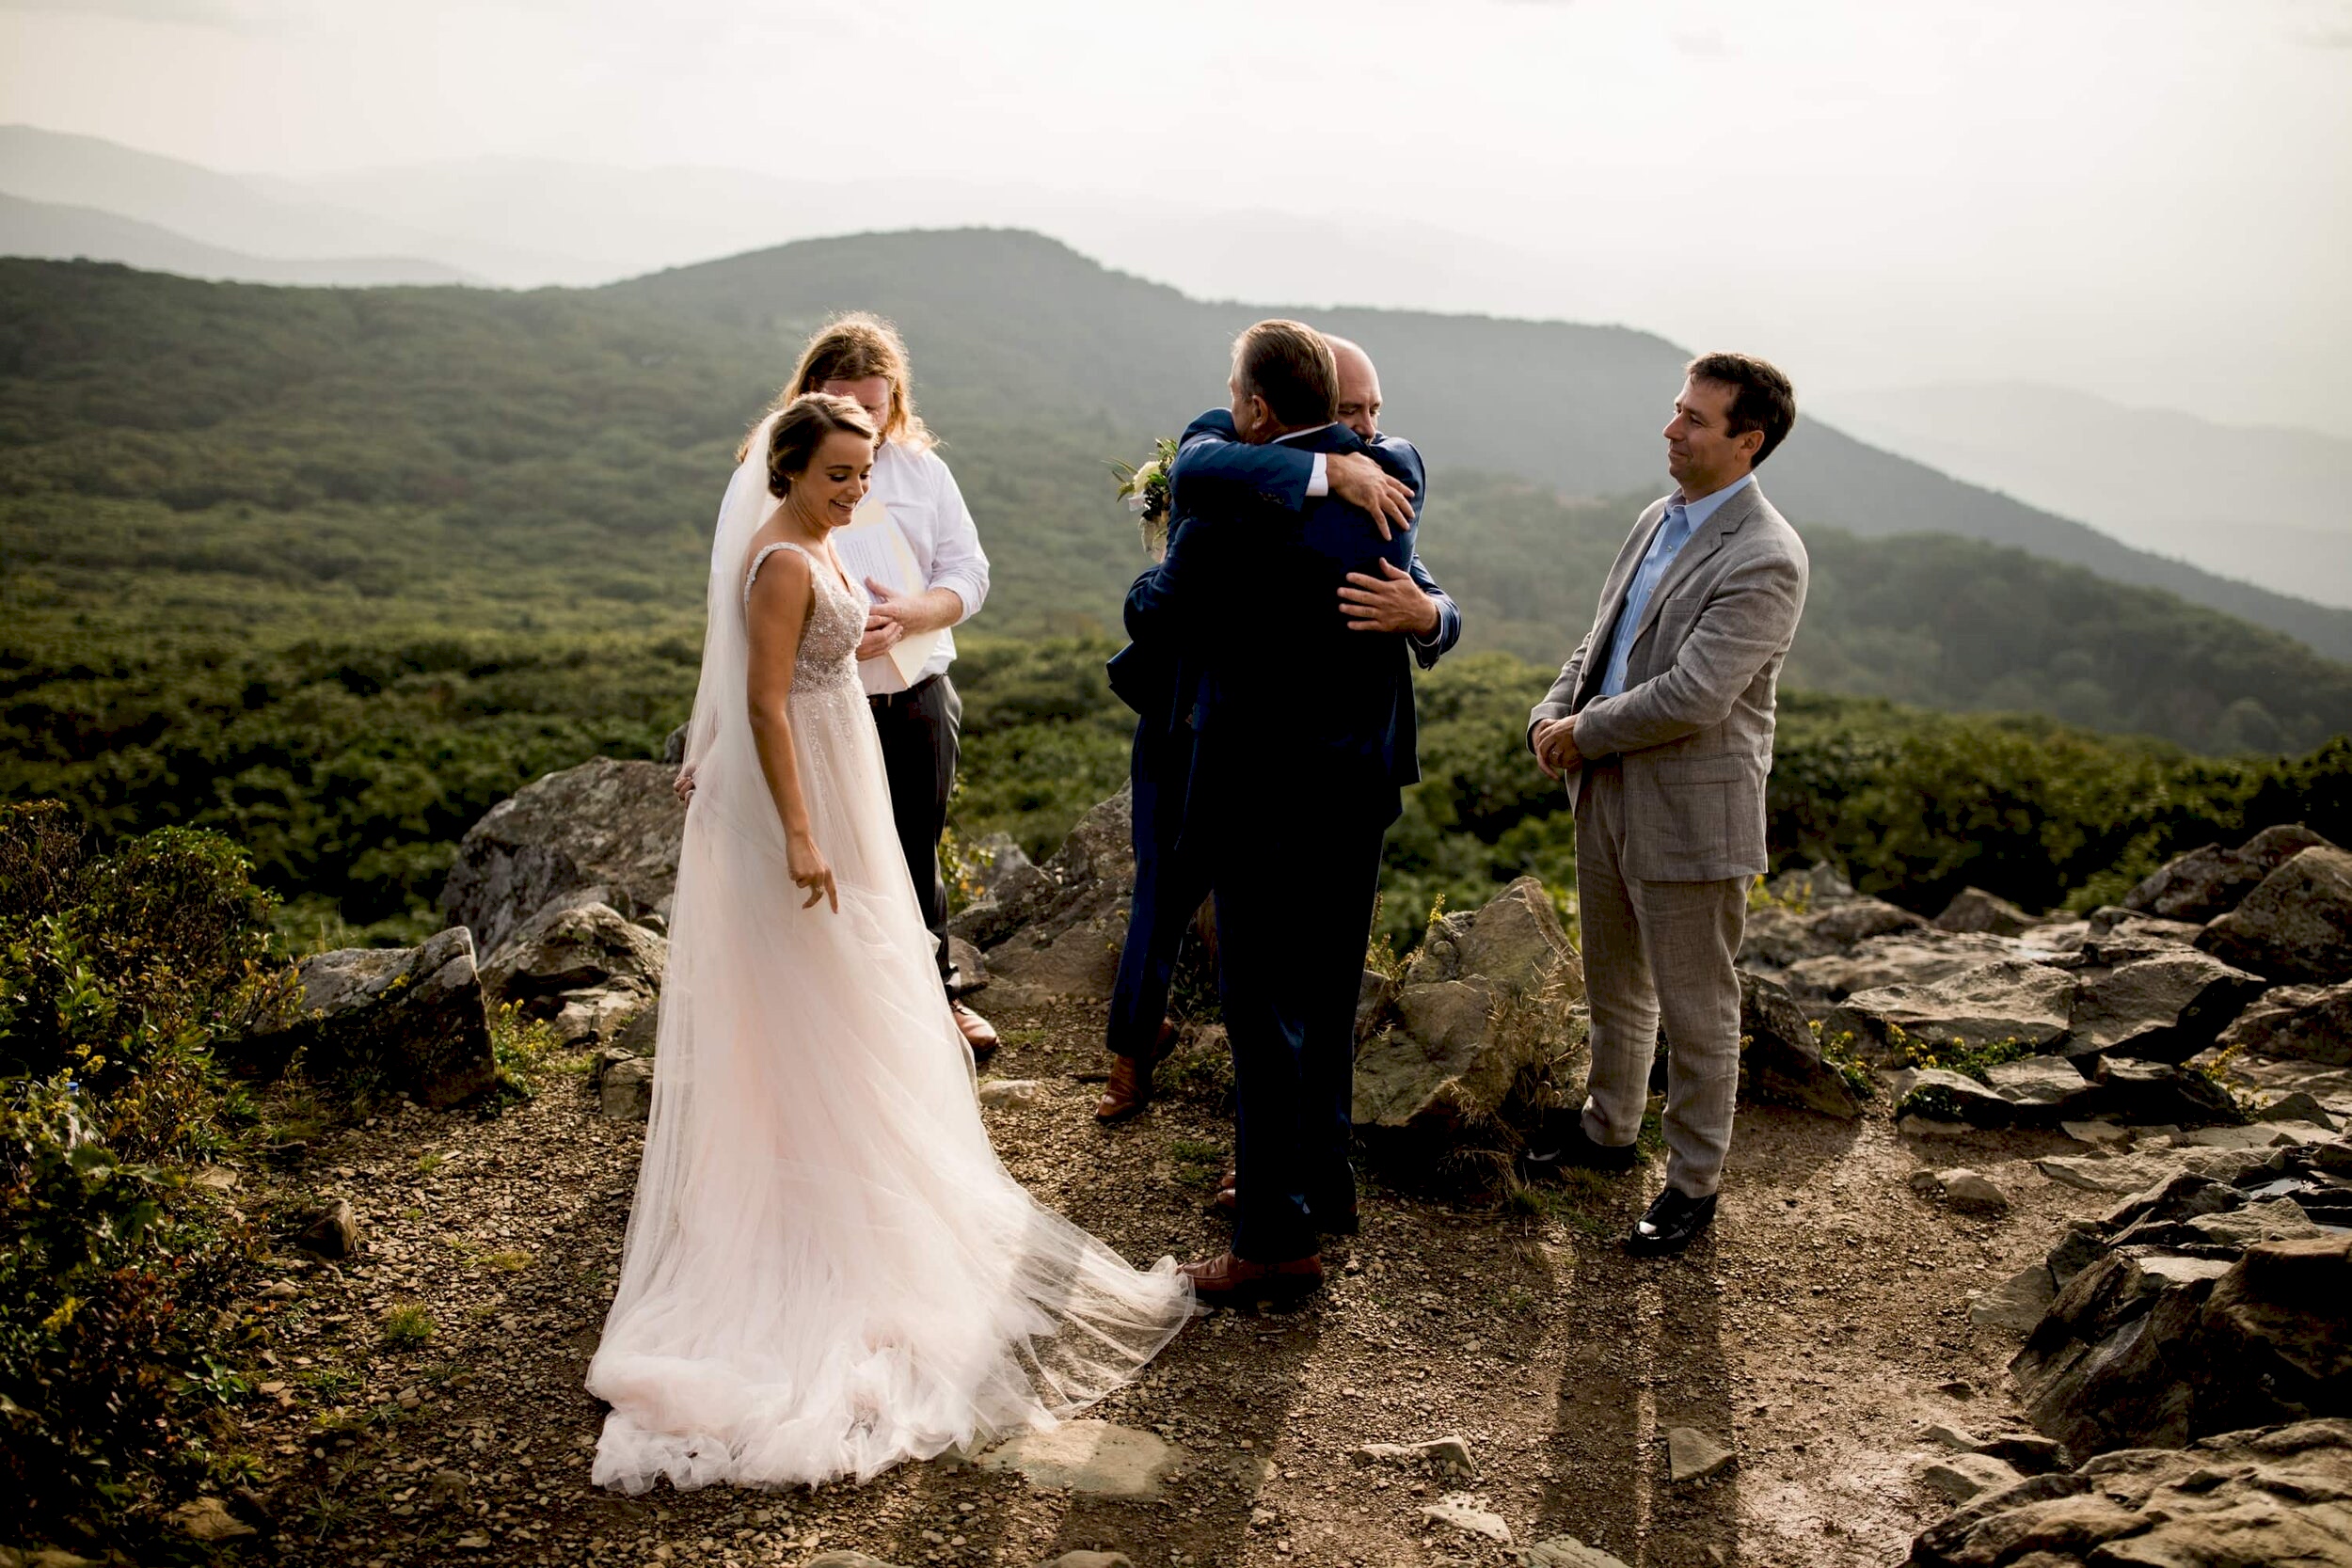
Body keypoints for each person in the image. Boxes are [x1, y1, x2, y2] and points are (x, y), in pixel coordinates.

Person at [588, 395, 1192, 1493]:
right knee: (816, 991)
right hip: (793, 793)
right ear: (786, 471)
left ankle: (838, 1182)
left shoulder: (821, 545)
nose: (855, 492)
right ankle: (800, 1208)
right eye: (836, 476)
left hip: (837, 769)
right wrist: (805, 834)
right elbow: (766, 706)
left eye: (863, 475)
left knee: (854, 987)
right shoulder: (779, 564)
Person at [1125, 322, 1448, 1303]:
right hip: (1356, 784)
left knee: (1262, 1013)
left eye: (1237, 392)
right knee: (1328, 988)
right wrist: (1330, 469)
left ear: (1258, 406)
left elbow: (1158, 612)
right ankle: (1320, 1186)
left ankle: (1273, 1241)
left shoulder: (1223, 508)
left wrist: (1153, 566)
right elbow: (1209, 446)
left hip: (1258, 789)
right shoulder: (1394, 483)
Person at [1524, 353, 1809, 1256]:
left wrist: (1584, 732)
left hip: (1691, 811)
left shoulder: (1768, 556)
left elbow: (1694, 694)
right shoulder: (1659, 517)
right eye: (1676, 410)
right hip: (1605, 787)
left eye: (1694, 418)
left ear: (1747, 441)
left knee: (1697, 1007)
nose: (1671, 429)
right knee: (1615, 981)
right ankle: (1609, 1130)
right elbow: (1600, 635)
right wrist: (1551, 711)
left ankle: (1692, 1183)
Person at [684, 314, 999, 1058]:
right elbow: (739, 616)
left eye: (878, 405)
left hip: (915, 688)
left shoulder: (925, 472)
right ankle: (820, 1025)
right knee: (823, 860)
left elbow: (971, 572)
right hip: (811, 707)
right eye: (848, 403)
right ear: (812, 398)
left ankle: (934, 995)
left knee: (912, 849)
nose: (867, 422)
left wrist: (910, 613)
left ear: (897, 400)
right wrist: (718, 731)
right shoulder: (776, 479)